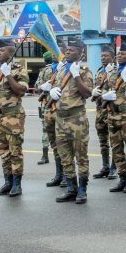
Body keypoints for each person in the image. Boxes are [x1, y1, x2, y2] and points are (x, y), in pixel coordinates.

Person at [48, 38, 93, 203]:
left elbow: (88, 93)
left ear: (81, 53)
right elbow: (58, 90)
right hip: (60, 119)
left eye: (72, 50)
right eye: (67, 50)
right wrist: (52, 91)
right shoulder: (61, 70)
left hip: (77, 119)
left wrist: (77, 77)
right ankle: (71, 188)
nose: (67, 52)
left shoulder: (84, 70)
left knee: (81, 155)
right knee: (65, 156)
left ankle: (82, 190)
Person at [0, 38, 29, 197]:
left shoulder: (19, 70)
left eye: (2, 50)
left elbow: (21, 91)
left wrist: (9, 75)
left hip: (13, 116)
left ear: (11, 52)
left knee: (15, 151)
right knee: (3, 151)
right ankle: (7, 182)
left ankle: (17, 184)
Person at [101, 42, 126, 193]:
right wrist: (104, 95)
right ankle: (122, 178)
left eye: (123, 53)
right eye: (118, 53)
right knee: (116, 149)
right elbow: (105, 90)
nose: (119, 56)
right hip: (112, 115)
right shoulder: (112, 71)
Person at [39, 44, 68, 188]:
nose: (54, 55)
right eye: (53, 52)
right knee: (54, 143)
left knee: (63, 144)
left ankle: (66, 176)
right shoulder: (47, 70)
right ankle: (58, 174)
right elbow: (38, 84)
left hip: (61, 111)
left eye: (57, 52)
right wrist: (44, 86)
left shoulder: (67, 69)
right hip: (48, 110)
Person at [91, 46, 115, 179]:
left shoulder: (116, 71)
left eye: (106, 56)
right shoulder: (100, 71)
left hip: (111, 110)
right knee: (103, 140)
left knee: (114, 141)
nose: (103, 58)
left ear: (112, 57)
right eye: (102, 56)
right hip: (100, 110)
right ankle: (105, 166)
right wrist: (94, 91)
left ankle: (113, 167)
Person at [35, 51, 53, 165]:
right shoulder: (59, 69)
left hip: (46, 105)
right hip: (51, 104)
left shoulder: (42, 72)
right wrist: (44, 87)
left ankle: (45, 156)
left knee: (45, 130)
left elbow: (37, 87)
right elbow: (38, 87)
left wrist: (42, 86)